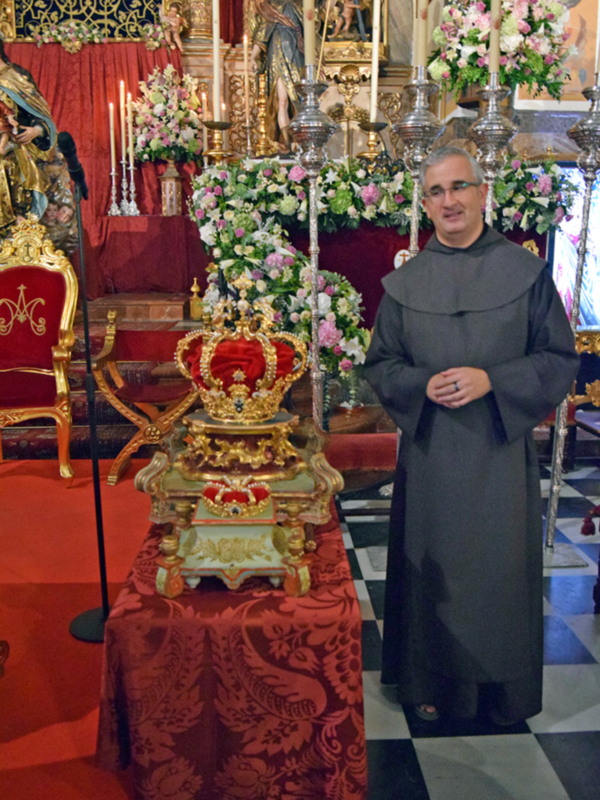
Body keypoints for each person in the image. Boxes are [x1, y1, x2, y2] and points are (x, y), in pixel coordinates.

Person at [364, 145, 579, 725]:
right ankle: (430, 685)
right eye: (435, 191)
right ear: (425, 203)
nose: (448, 200)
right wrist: (419, 386)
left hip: (497, 455)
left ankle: (499, 694)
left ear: (483, 193)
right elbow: (381, 365)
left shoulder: (526, 274)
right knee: (432, 567)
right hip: (432, 453)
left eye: (459, 186)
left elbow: (559, 359)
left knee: (495, 575)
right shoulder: (406, 282)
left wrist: (494, 380)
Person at [0, 37, 57, 228]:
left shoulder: (16, 76)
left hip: (15, 145)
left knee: (6, 164)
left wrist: (37, 130)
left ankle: (13, 221)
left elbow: (38, 113)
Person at [249, 0, 308, 151]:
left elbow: (313, 24)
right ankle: (286, 141)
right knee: (281, 100)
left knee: (299, 102)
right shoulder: (271, 7)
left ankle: (299, 143)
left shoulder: (300, 5)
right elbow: (262, 34)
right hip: (277, 54)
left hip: (296, 55)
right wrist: (252, 57)